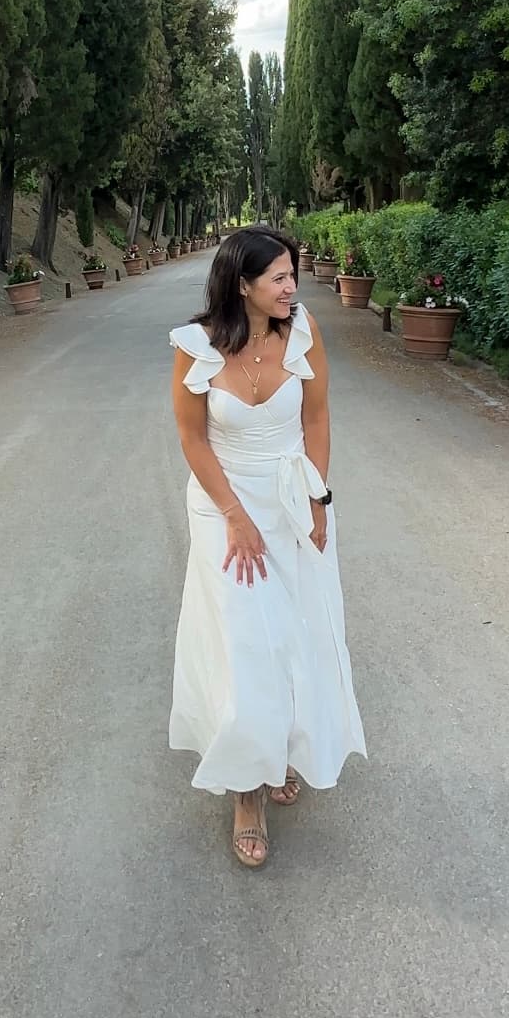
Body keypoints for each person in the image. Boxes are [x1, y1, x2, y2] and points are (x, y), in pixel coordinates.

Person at [169, 225, 367, 867]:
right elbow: (194, 439)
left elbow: (315, 418)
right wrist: (234, 515)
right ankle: (247, 792)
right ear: (242, 284)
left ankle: (277, 746)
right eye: (279, 277)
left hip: (287, 501)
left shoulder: (303, 332)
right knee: (246, 643)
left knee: (291, 634)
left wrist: (317, 498)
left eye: (292, 274)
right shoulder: (194, 347)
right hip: (222, 506)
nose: (293, 286)